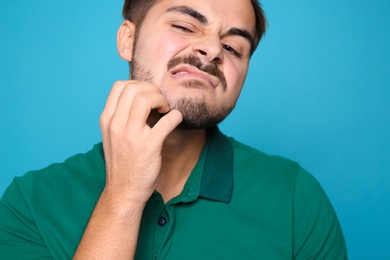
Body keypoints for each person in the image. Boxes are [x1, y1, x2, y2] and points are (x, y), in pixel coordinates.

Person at [0, 0, 347, 259]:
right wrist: (123, 195)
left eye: (232, 47)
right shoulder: (30, 203)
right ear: (127, 39)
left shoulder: (295, 198)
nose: (212, 50)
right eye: (184, 26)